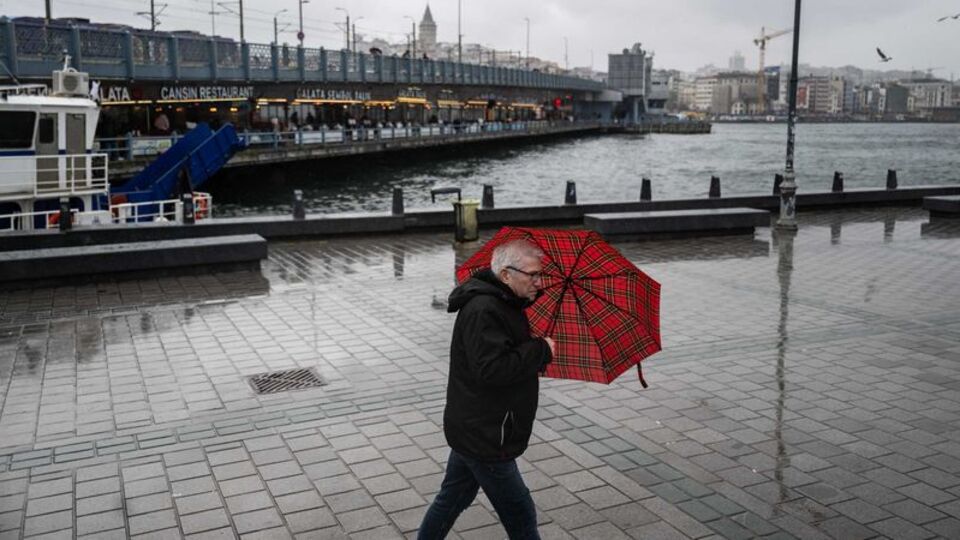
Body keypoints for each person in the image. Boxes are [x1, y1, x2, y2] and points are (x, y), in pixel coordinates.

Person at [418, 240, 556, 540]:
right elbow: (492, 370)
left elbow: (498, 358)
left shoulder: (502, 302)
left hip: (475, 425)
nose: (539, 281)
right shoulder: (485, 309)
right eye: (532, 275)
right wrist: (539, 350)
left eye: (539, 274)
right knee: (520, 513)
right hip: (488, 433)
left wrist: (533, 348)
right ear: (506, 275)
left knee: (452, 498)